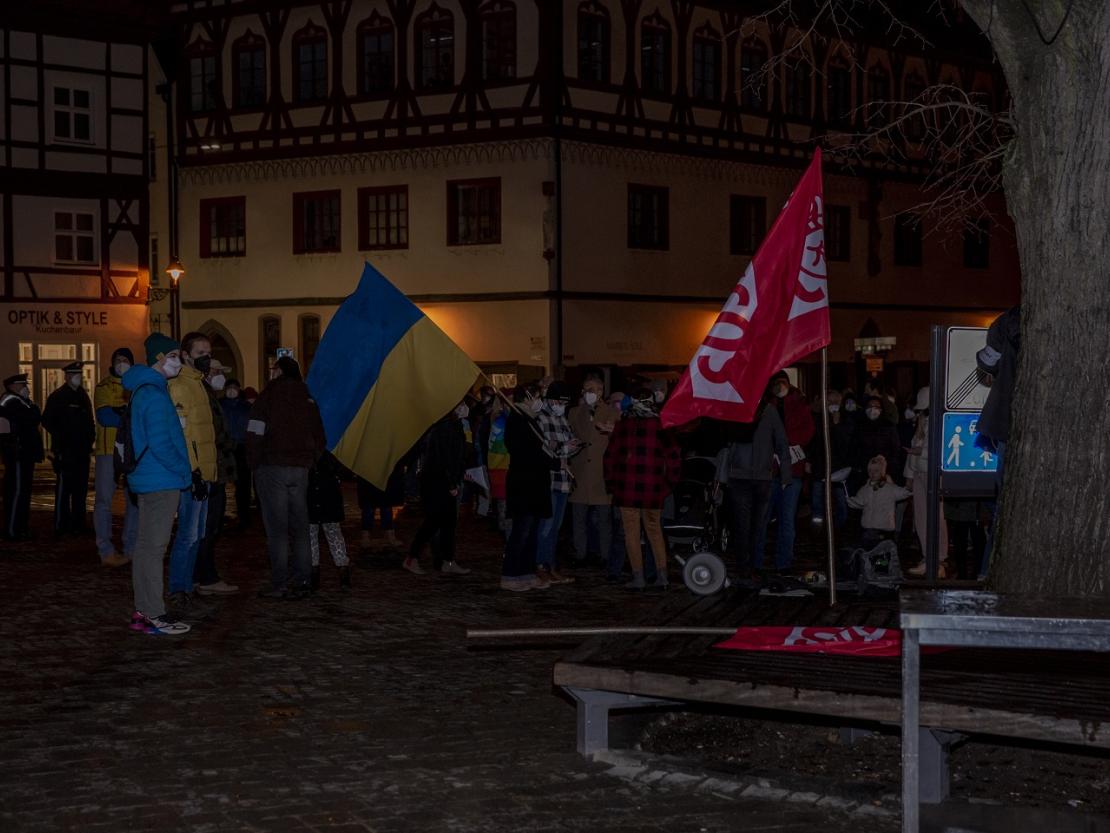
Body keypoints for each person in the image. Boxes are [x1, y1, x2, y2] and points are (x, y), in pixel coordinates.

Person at [125, 334, 192, 636]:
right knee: (153, 548)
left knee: (146, 547)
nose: (179, 361)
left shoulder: (146, 389)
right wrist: (184, 470)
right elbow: (161, 443)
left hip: (152, 477)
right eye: (175, 355)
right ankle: (152, 612)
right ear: (159, 357)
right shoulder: (153, 393)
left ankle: (145, 610)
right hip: (161, 478)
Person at [249, 356, 327, 599]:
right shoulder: (308, 399)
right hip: (300, 468)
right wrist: (309, 459)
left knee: (277, 528)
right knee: (301, 527)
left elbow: (255, 431)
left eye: (273, 369)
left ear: (279, 371)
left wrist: (254, 463)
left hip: (272, 466)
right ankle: (303, 579)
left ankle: (279, 582)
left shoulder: (268, 396)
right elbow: (320, 435)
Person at [603, 388, 681, 591]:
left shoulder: (623, 426)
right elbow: (674, 459)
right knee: (654, 531)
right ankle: (662, 576)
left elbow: (610, 457)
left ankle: (638, 577)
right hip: (653, 489)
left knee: (631, 533)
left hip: (626, 489)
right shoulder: (662, 426)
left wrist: (612, 484)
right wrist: (668, 485)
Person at [164, 333, 218, 610]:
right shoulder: (181, 386)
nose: (206, 356)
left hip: (204, 472)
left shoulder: (198, 384)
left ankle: (186, 584)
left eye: (208, 350)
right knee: (187, 533)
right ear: (186, 355)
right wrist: (194, 471)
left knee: (198, 533)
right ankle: (178, 587)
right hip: (192, 474)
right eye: (200, 351)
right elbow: (184, 435)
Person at [716, 388, 790, 574]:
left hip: (758, 476)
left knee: (754, 526)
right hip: (744, 476)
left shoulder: (766, 410)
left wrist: (785, 473)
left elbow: (781, 441)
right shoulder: (744, 409)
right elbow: (781, 441)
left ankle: (749, 566)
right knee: (745, 525)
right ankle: (745, 567)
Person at [755, 371, 815, 572]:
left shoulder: (799, 404)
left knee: (787, 518)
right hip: (769, 470)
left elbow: (807, 431)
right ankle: (757, 559)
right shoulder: (765, 405)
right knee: (762, 518)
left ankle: (784, 561)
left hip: (792, 470)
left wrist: (785, 441)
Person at [406, 401, 471, 576]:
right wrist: (451, 483)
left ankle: (447, 560)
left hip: (444, 480)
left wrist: (460, 473)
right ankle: (412, 557)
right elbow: (443, 457)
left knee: (449, 522)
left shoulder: (454, 425)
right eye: (461, 404)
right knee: (433, 521)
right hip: (437, 482)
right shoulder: (445, 427)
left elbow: (456, 455)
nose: (465, 407)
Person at [193, 359, 239, 596]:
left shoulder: (209, 394)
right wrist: (230, 443)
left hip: (215, 467)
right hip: (212, 469)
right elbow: (212, 432)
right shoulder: (204, 396)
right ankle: (206, 577)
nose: (222, 376)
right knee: (209, 527)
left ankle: (200, 574)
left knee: (208, 526)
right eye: (218, 371)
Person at [501, 384, 552, 591]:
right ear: (528, 397)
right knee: (521, 532)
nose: (540, 401)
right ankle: (510, 573)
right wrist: (550, 461)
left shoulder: (530, 420)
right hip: (523, 484)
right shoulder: (517, 420)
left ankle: (526, 572)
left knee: (531, 532)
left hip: (535, 484)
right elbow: (524, 452)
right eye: (538, 396)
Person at [92, 348, 138, 565]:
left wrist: (120, 412)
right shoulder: (103, 387)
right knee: (103, 501)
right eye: (118, 360)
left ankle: (131, 547)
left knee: (134, 500)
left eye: (125, 360)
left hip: (131, 450)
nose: (121, 363)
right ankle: (105, 549)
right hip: (107, 450)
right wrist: (126, 414)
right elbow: (105, 416)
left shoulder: (137, 387)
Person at [568, 377, 617, 575]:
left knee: (604, 520)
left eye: (597, 389)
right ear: (582, 390)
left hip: (601, 474)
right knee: (578, 518)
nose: (592, 392)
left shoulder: (612, 413)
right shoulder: (573, 413)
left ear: (602, 392)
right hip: (579, 472)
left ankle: (605, 555)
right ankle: (581, 554)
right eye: (589, 389)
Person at [534, 381, 582, 584]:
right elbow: (544, 447)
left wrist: (570, 446)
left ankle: (550, 564)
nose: (561, 406)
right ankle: (539, 565)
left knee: (556, 527)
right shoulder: (541, 418)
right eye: (559, 402)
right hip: (549, 479)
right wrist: (564, 446)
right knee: (545, 526)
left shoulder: (562, 419)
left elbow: (567, 446)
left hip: (563, 480)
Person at [42, 361, 96, 536]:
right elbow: (47, 420)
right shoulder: (58, 396)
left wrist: (90, 441)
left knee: (81, 490)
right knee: (64, 489)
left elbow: (89, 421)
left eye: (80, 374)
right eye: (75, 375)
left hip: (82, 451)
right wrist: (62, 436)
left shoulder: (82, 395)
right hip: (65, 451)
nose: (78, 378)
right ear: (67, 377)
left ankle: (79, 524)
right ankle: (61, 524)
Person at [904, 387, 948, 572]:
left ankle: (939, 559)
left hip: (933, 474)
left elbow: (940, 451)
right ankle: (927, 556)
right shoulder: (923, 423)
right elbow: (912, 453)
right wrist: (909, 475)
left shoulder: (941, 423)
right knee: (921, 517)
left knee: (936, 517)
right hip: (920, 474)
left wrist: (920, 453)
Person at [0, 373, 44, 541]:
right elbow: (31, 417)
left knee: (24, 491)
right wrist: (32, 410)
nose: (26, 387)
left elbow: (35, 415)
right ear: (12, 386)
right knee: (16, 492)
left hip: (25, 453)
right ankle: (12, 530)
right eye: (22, 384)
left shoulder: (23, 401)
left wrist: (31, 409)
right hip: (17, 453)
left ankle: (21, 527)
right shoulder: (8, 400)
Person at [807, 389, 853, 530]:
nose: (833, 404)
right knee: (817, 500)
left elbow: (846, 444)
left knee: (841, 500)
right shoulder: (817, 419)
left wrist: (837, 424)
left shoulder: (846, 420)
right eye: (830, 401)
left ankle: (839, 528)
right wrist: (809, 460)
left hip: (838, 468)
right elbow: (813, 441)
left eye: (836, 402)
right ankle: (818, 527)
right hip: (820, 466)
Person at [308, 452, 351, 591]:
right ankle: (314, 572)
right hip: (311, 495)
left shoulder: (331, 451)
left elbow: (343, 469)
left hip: (327, 495)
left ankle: (342, 570)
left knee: (332, 533)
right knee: (311, 534)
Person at [848, 455, 911, 551]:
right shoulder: (865, 489)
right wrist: (851, 501)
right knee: (868, 552)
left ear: (882, 471)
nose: (872, 473)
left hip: (884, 530)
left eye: (876, 471)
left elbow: (903, 492)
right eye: (870, 471)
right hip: (868, 529)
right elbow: (859, 502)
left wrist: (910, 487)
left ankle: (883, 564)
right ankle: (869, 564)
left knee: (883, 556)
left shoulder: (890, 488)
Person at [852, 395, 903, 491]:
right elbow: (854, 449)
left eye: (876, 407)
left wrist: (887, 466)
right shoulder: (859, 427)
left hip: (886, 471)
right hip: (865, 472)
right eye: (870, 406)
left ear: (881, 409)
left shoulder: (889, 426)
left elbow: (896, 448)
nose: (872, 409)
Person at [220, 378, 253, 528]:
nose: (232, 390)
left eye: (235, 387)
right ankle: (220, 516)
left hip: (241, 447)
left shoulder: (247, 407)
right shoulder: (220, 405)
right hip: (223, 447)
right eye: (229, 387)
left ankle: (244, 517)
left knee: (243, 485)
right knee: (221, 483)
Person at [356, 463, 405, 551]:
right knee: (370, 507)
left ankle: (388, 533)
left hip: (384, 474)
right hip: (368, 474)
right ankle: (366, 535)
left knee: (385, 505)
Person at [486, 392, 512, 539]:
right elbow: (500, 446)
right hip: (501, 468)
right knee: (504, 508)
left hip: (504, 468)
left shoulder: (506, 420)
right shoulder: (500, 422)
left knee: (506, 507)